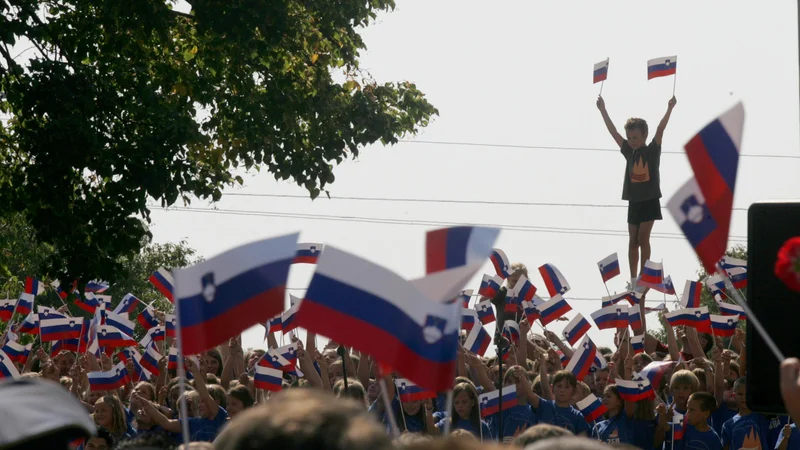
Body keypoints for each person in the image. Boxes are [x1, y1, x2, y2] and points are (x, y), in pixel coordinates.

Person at [596, 94, 677, 289]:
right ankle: (633, 279)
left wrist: (669, 108)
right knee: (632, 240)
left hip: (649, 199)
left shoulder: (652, 151)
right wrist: (603, 110)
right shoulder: (628, 151)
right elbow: (613, 132)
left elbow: (660, 129)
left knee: (643, 238)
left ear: (644, 137)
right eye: (630, 137)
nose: (631, 141)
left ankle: (644, 275)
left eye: (635, 137)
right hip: (634, 200)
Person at [721, 377, 771, 450]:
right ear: (734, 396)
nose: (744, 397)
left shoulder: (763, 416)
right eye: (740, 394)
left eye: (748, 394)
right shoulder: (727, 425)